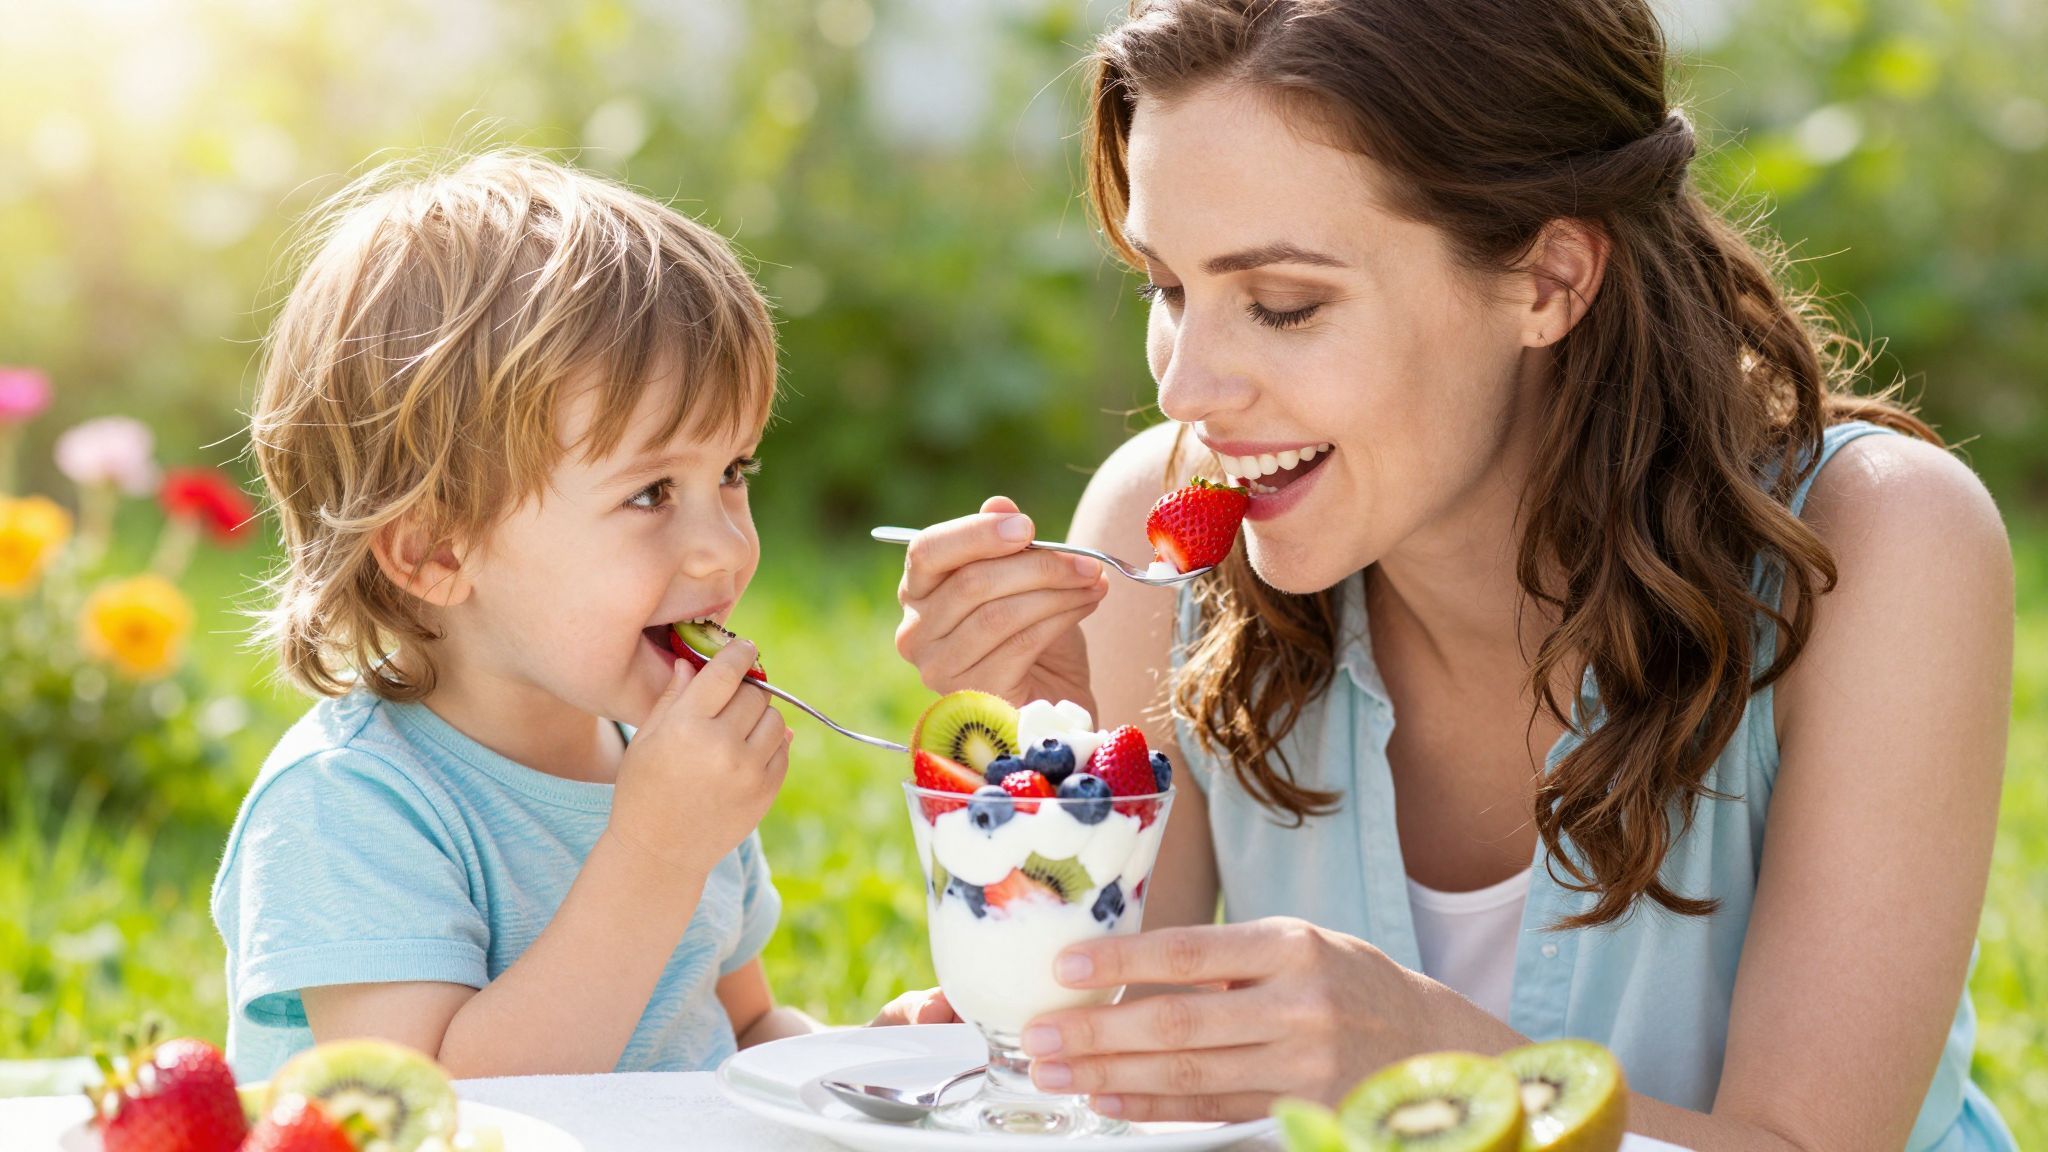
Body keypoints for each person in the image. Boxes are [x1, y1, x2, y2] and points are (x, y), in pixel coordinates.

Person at [892, 2, 2016, 1148]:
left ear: (1546, 278)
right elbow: (1120, 1083)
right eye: (1165, 290)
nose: (1185, 390)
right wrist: (1058, 804)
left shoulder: (1876, 547)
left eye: (1283, 306)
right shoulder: (1151, 532)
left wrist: (1425, 1056)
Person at [214, 151, 945, 1081]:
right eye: (650, 493)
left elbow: (744, 1028)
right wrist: (654, 852)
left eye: (732, 473)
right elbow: (438, 1113)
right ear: (438, 549)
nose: (724, 544)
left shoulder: (666, 764)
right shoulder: (350, 808)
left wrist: (861, 1067)